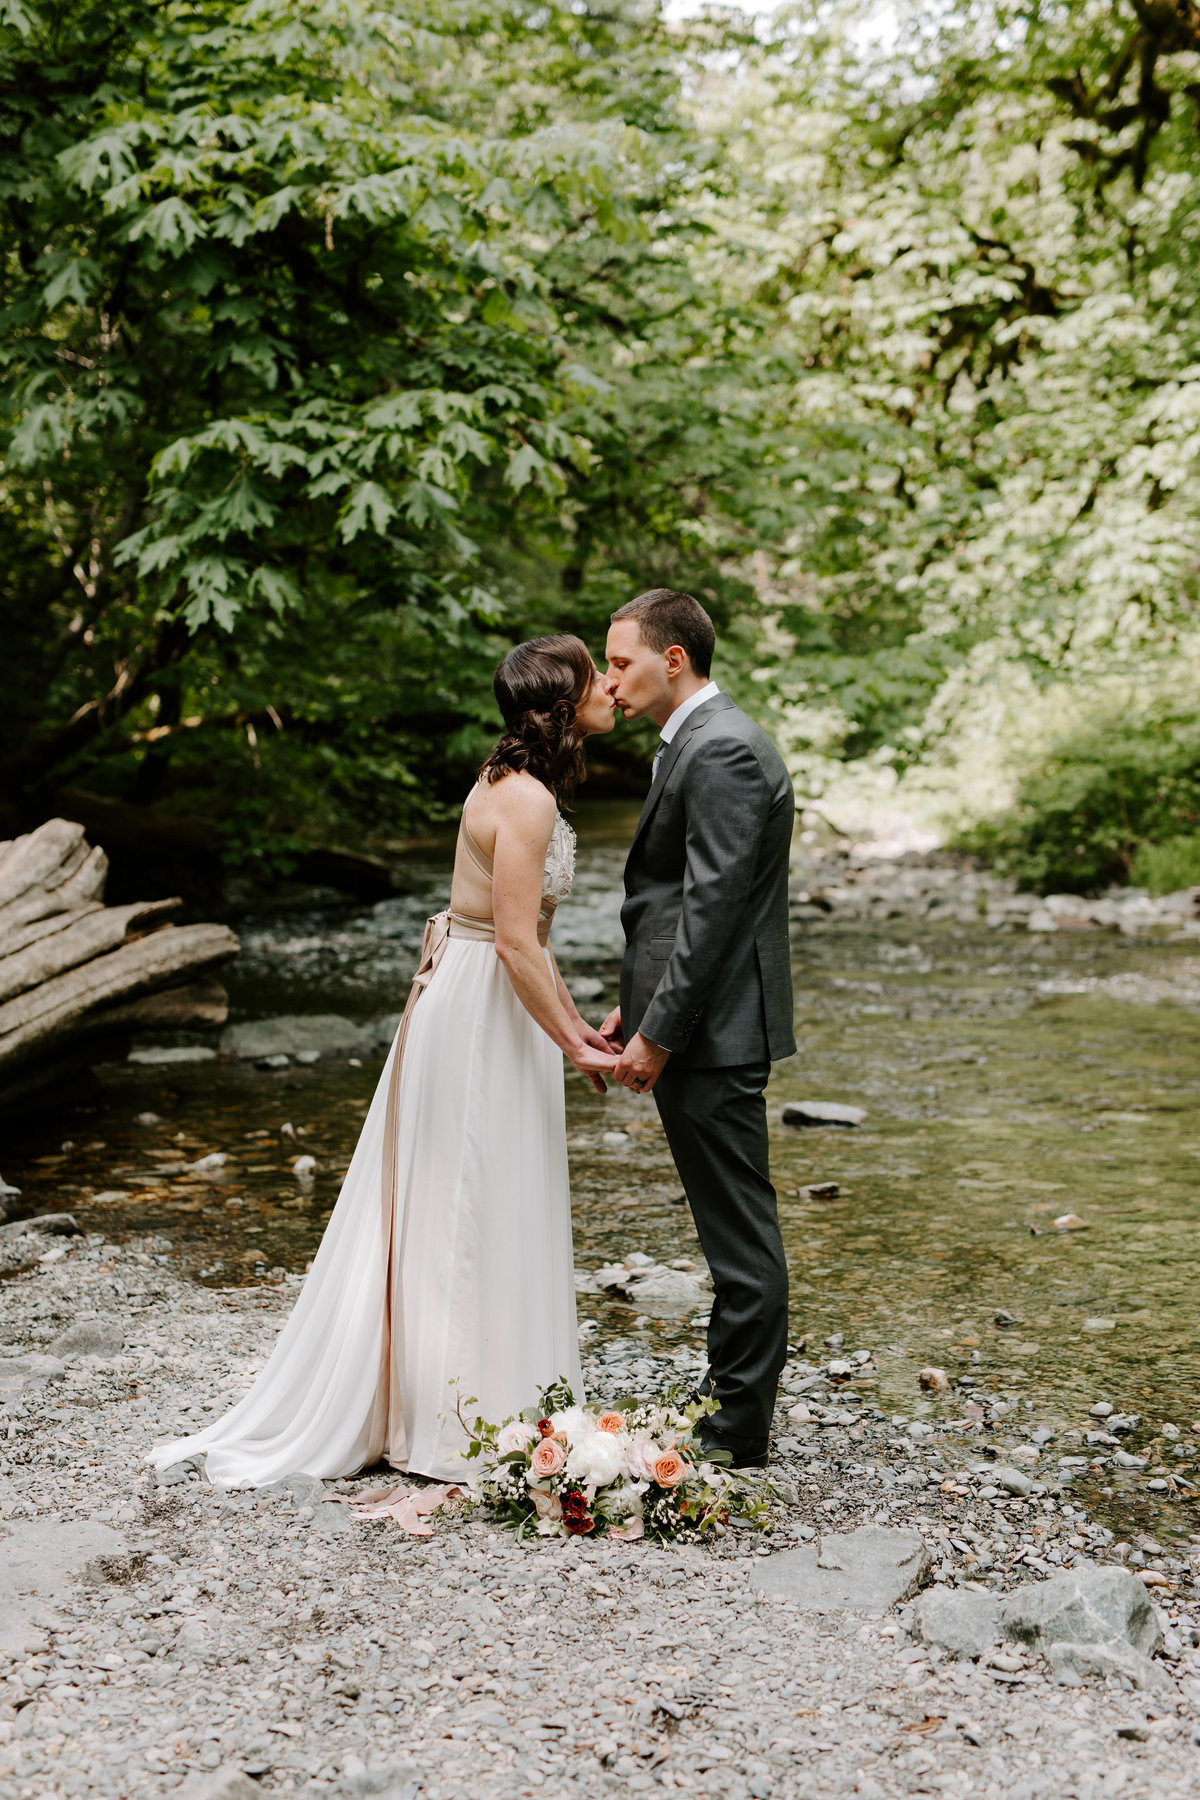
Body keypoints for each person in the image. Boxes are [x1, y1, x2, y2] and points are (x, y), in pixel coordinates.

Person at [150, 635, 617, 1486]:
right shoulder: (527, 802)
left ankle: (482, 1406)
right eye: (596, 677)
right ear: (563, 698)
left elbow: (534, 944)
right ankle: (456, 1424)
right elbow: (514, 946)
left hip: (490, 1001)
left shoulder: (511, 784)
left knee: (488, 1195)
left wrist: (578, 1032)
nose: (610, 690)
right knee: (472, 1198)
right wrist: (569, 1039)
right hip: (480, 1010)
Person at [602, 589, 795, 1468]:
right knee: (728, 1226)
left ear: (672, 659)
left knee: (739, 1237)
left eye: (620, 663)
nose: (608, 683)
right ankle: (727, 1405)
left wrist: (660, 1034)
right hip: (696, 1021)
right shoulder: (697, 743)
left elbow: (712, 914)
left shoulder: (721, 752)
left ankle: (735, 1432)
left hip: (713, 1032)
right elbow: (675, 904)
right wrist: (635, 1011)